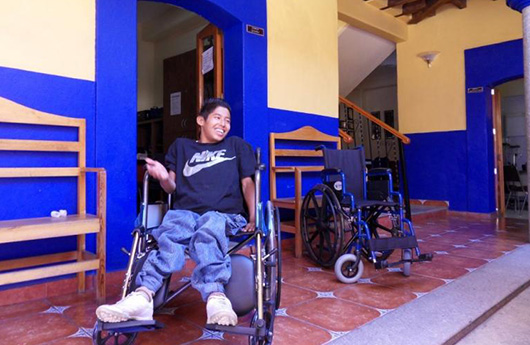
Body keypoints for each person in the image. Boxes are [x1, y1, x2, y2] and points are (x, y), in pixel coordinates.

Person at [96, 98, 256, 326]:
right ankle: (142, 296)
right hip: (186, 213)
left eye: (228, 120)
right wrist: (162, 177)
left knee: (209, 224)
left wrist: (252, 216)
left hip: (224, 215)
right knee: (170, 231)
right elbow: (171, 187)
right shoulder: (181, 147)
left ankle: (216, 297)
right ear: (201, 120)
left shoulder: (237, 146)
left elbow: (247, 183)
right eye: (218, 117)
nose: (224, 124)